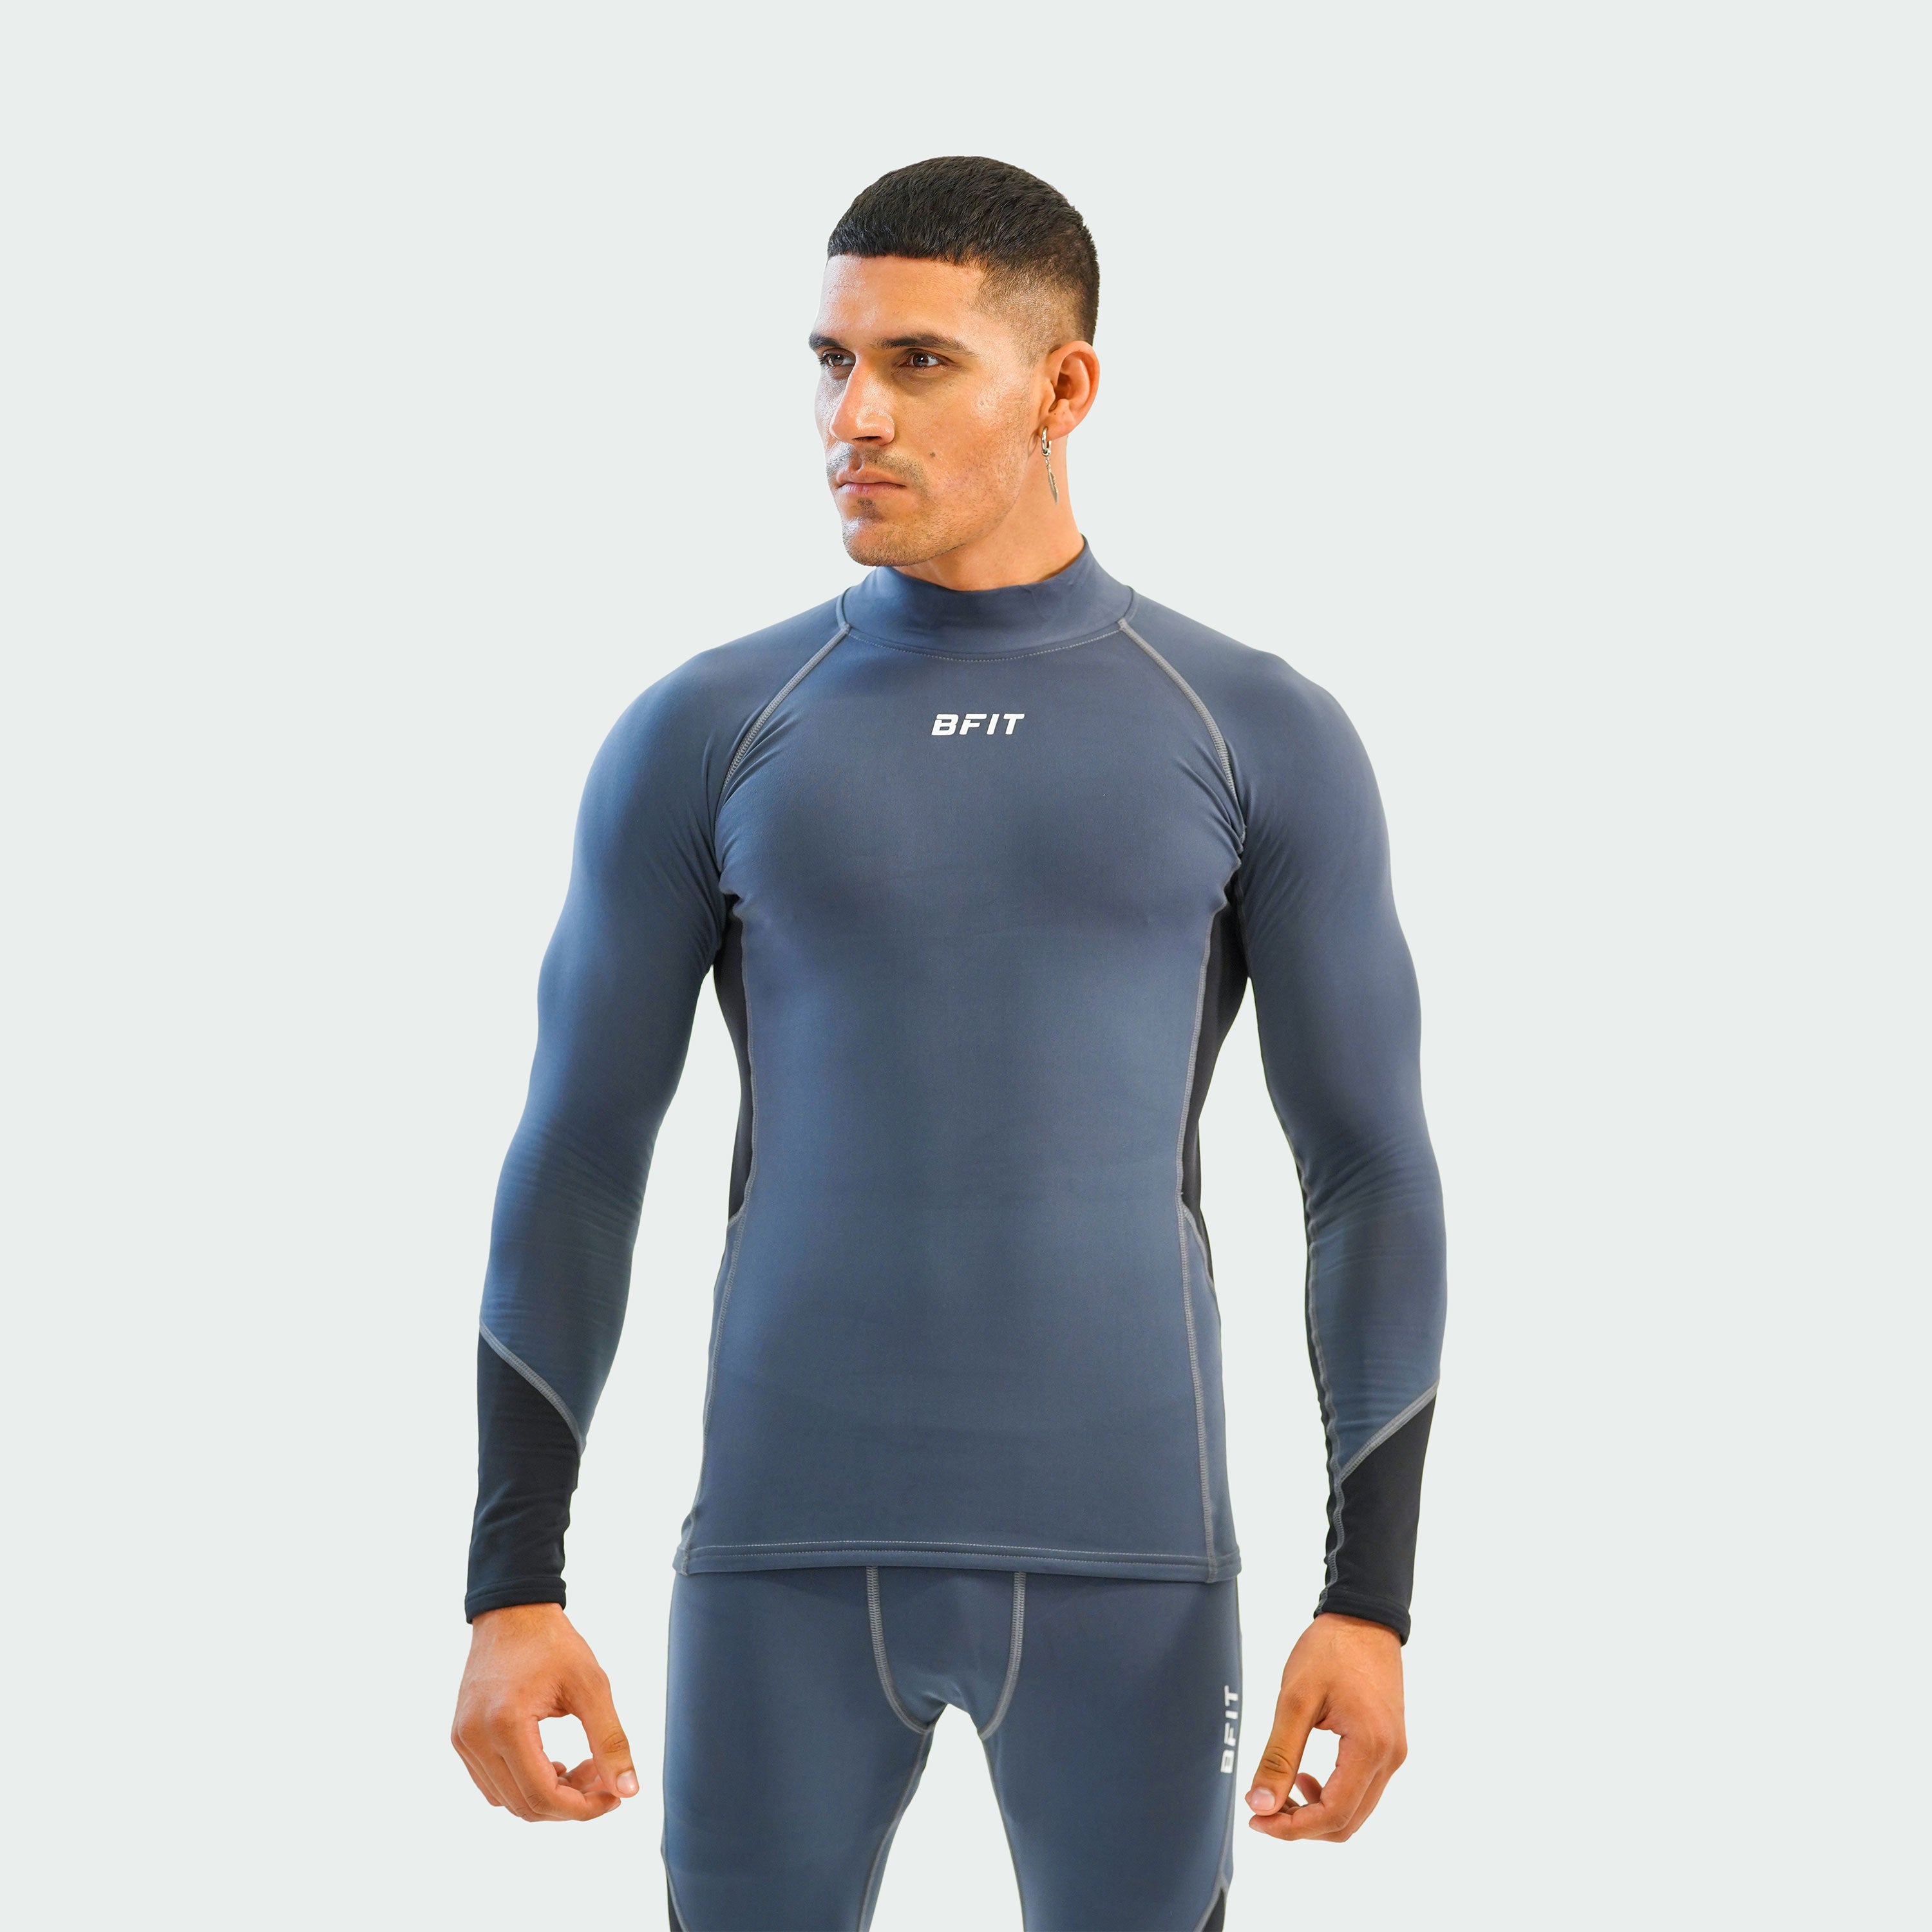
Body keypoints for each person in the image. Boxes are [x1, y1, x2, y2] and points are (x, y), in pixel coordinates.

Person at [451, 156, 1446, 1932]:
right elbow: (581, 1151)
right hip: (777, 1566)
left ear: (1064, 386)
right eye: (831, 362)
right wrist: (511, 1581)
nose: (854, 415)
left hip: (1135, 1571)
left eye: (918, 363)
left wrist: (1368, 1603)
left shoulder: (1253, 729)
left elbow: (1366, 1171)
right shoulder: (708, 726)